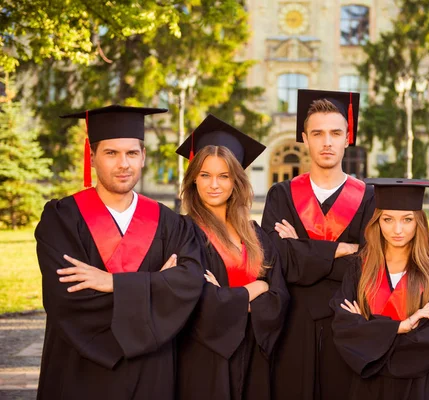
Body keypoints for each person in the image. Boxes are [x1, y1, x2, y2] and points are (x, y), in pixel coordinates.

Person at [35, 105, 205, 400]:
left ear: (143, 157)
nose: (123, 164)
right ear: (92, 158)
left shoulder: (169, 222)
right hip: (81, 368)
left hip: (151, 371)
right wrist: (155, 284)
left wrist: (112, 283)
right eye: (111, 153)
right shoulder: (62, 219)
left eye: (131, 153)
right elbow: (66, 298)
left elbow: (188, 284)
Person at [261, 89, 375, 400]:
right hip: (293, 320)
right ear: (304, 138)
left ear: (347, 138)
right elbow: (277, 258)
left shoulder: (369, 197)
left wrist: (301, 247)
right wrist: (342, 248)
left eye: (335, 133)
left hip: (348, 317)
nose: (327, 142)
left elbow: (369, 261)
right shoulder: (281, 194)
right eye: (318, 133)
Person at [175, 115, 289, 400]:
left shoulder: (255, 234)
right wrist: (254, 290)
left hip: (254, 354)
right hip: (204, 358)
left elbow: (279, 296)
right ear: (193, 180)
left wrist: (229, 297)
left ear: (236, 181)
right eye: (205, 175)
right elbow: (196, 300)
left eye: (224, 176)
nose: (214, 184)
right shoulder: (183, 233)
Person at [330, 178, 429, 400]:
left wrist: (369, 329)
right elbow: (344, 329)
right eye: (388, 219)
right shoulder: (358, 267)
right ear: (377, 222)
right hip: (368, 387)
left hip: (420, 385)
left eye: (407, 220)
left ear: (419, 222)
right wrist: (402, 326)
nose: (397, 229)